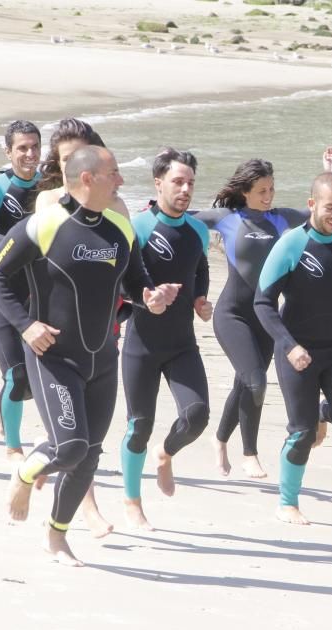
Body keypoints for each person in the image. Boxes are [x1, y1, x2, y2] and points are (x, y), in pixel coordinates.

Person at [0, 145, 176, 566]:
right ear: (87, 179)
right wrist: (24, 324)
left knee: (87, 455)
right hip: (52, 355)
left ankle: (57, 535)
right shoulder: (45, 224)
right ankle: (24, 473)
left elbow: (136, 287)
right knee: (68, 448)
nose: (121, 181)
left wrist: (154, 298)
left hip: (103, 359)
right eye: (114, 174)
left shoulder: (121, 230)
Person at [192, 149, 332, 478]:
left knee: (246, 383)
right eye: (262, 191)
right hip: (232, 314)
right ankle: (249, 453)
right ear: (245, 191)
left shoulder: (279, 218)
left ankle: (219, 441)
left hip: (266, 317)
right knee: (256, 382)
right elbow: (181, 217)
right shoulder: (226, 218)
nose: (269, 196)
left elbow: (319, 212)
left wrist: (330, 173)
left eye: (272, 189)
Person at [254, 171, 332, 526]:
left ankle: (325, 413)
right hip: (298, 352)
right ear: (311, 205)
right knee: (301, 432)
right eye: (329, 207)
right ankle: (287, 502)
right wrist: (289, 346)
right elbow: (263, 303)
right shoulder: (291, 244)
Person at [33, 118, 127, 539]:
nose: (72, 165)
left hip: (105, 328)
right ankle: (84, 506)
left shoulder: (118, 208)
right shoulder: (49, 204)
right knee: (74, 441)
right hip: (56, 338)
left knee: (85, 441)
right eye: (65, 159)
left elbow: (128, 269)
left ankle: (52, 463)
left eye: (79, 157)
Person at [118, 148, 209, 531]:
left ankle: (166, 452)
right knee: (139, 424)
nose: (186, 189)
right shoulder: (137, 227)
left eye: (190, 182)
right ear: (158, 183)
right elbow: (121, 281)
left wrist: (201, 298)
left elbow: (199, 267)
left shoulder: (198, 230)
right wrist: (147, 298)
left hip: (181, 342)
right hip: (141, 342)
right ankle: (132, 501)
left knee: (197, 415)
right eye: (178, 181)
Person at [0, 120, 42, 459]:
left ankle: (3, 400)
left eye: (34, 147)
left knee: (34, 379)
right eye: (22, 148)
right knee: (16, 374)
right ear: (8, 151)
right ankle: (13, 448)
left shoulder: (49, 190)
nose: (30, 154)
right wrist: (28, 249)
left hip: (36, 293)